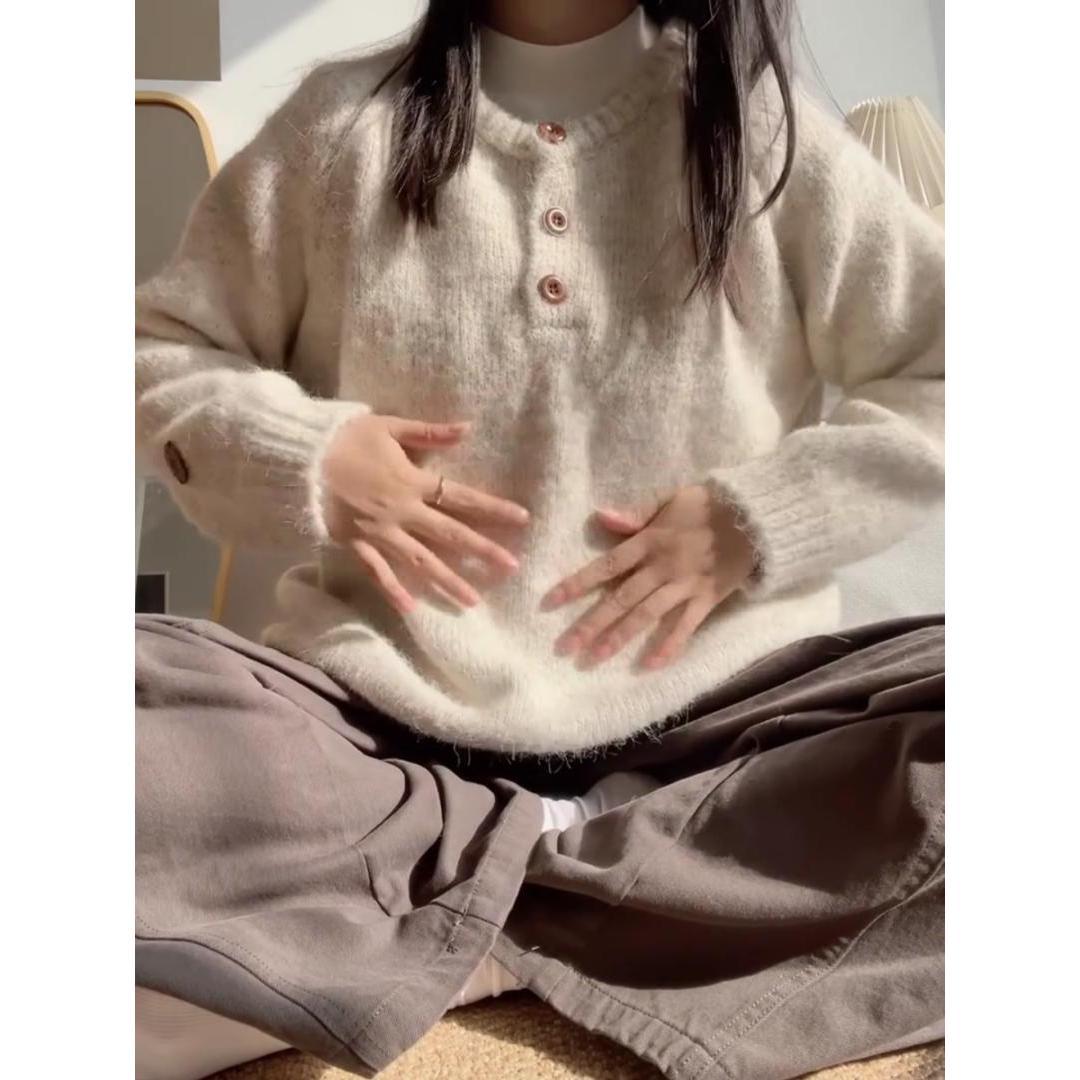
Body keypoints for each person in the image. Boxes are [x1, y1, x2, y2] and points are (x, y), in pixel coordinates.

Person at [134, 2, 945, 1078]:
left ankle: (442, 923)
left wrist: (761, 519)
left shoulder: (764, 136)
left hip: (718, 751)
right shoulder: (340, 126)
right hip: (383, 745)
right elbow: (161, 355)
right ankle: (602, 903)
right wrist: (310, 458)